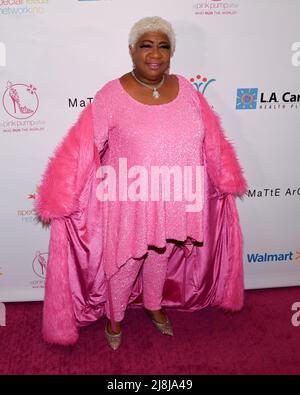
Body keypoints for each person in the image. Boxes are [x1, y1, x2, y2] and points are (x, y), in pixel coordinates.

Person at [35, 16, 248, 351]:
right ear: (132, 50)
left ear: (171, 53)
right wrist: (60, 192)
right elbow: (83, 143)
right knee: (127, 259)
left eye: (163, 46)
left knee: (160, 251)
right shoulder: (111, 93)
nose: (155, 53)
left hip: (176, 193)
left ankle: (153, 305)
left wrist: (225, 176)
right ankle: (114, 316)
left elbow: (213, 139)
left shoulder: (189, 90)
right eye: (146, 45)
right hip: (129, 195)